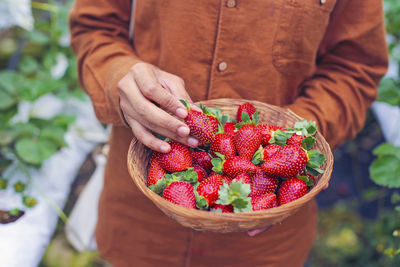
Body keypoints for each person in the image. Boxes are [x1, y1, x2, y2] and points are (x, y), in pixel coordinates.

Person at [69, 0, 388, 266]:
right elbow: (95, 28)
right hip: (141, 223)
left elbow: (355, 68)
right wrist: (119, 75)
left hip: (264, 247)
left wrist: (295, 145)